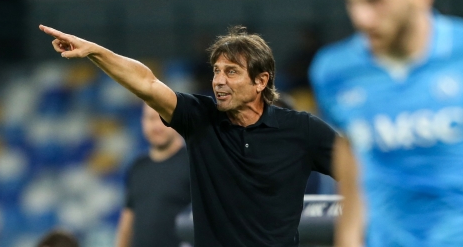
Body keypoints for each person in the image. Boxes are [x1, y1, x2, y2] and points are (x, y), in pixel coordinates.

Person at [39, 24, 339, 247]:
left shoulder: (302, 130)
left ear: (261, 81)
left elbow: (358, 168)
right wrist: (95, 51)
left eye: (231, 72)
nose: (219, 81)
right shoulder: (201, 117)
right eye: (216, 71)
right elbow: (148, 83)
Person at [309, 0, 463, 246]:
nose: (361, 18)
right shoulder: (334, 72)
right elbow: (352, 162)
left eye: (375, 0)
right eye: (351, 1)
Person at [116, 104, 190, 247]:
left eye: (163, 118)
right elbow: (127, 224)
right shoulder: (137, 166)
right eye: (151, 119)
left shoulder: (193, 163)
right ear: (142, 122)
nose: (157, 126)